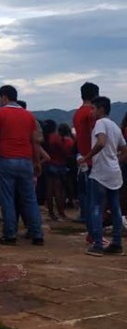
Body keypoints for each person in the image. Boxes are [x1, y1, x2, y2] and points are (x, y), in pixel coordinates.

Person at [0, 85, 44, 246]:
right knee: (30, 198)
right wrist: (37, 161)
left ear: (4, 98)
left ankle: (10, 234)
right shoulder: (29, 115)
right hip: (26, 160)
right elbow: (35, 141)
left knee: (8, 198)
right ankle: (37, 234)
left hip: (5, 159)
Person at [83, 97, 126, 256]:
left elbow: (100, 142)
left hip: (101, 172)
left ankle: (98, 244)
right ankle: (116, 243)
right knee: (115, 208)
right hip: (114, 172)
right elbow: (124, 148)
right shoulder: (115, 126)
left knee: (96, 207)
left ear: (100, 109)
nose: (91, 112)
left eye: (93, 109)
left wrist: (86, 157)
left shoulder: (100, 123)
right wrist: (116, 161)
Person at [73, 82, 99, 228]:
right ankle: (93, 223)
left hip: (82, 156)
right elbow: (95, 135)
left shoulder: (77, 113)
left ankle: (85, 215)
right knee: (94, 194)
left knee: (84, 190)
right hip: (92, 157)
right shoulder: (91, 113)